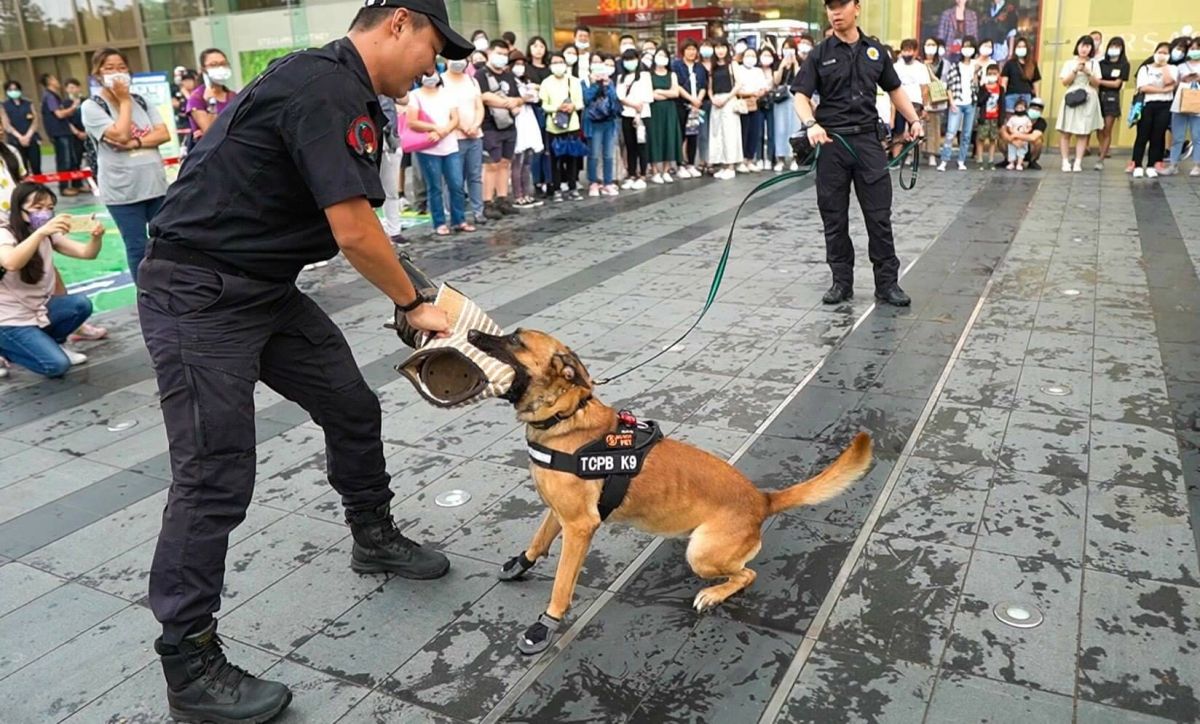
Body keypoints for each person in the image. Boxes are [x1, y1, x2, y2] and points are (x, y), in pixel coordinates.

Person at [139, 2, 468, 720]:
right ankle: (189, 661)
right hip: (198, 293)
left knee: (351, 403)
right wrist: (413, 302)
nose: (432, 67)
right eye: (433, 49)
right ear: (399, 23)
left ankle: (372, 534)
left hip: (262, 286)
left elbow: (354, 222)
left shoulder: (337, 87)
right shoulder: (325, 87)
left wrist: (413, 288)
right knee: (214, 471)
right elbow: (353, 230)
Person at [793, 0, 921, 307]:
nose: (835, 13)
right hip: (831, 143)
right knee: (833, 216)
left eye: (841, 6)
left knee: (879, 217)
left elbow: (894, 89)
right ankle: (841, 282)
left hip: (867, 142)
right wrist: (810, 123)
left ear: (857, 8)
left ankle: (887, 283)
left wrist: (914, 120)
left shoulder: (875, 52)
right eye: (830, 8)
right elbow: (800, 96)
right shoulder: (820, 53)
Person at [80, 48, 171, 284]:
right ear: (97, 73)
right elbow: (119, 134)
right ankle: (147, 293)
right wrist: (122, 101)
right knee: (137, 246)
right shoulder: (93, 106)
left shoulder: (142, 100)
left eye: (121, 67)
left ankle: (169, 286)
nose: (117, 73)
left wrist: (136, 142)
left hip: (155, 184)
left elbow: (163, 133)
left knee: (167, 241)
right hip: (123, 191)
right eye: (109, 68)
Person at [0, 182, 101, 378]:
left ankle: (48, 344)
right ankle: (7, 348)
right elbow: (11, 262)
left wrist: (96, 237)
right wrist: (40, 233)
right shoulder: (5, 233)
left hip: (37, 310)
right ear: (19, 210)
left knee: (80, 305)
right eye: (38, 208)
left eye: (50, 208)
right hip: (9, 319)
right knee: (55, 366)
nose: (45, 213)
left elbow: (87, 253)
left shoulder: (48, 234)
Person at [409, 70, 472, 234]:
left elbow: (455, 118)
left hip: (450, 146)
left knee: (457, 184)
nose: (430, 77)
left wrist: (443, 131)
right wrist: (434, 128)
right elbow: (412, 121)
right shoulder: (415, 96)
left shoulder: (447, 93)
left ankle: (459, 220)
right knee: (434, 187)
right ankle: (439, 223)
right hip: (428, 148)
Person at [479, 39, 523, 218]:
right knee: (491, 164)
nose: (502, 58)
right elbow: (483, 97)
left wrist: (515, 102)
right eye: (499, 53)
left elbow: (519, 98)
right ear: (489, 53)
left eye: (505, 55)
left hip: (509, 125)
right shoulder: (481, 75)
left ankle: (503, 198)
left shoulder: (509, 75)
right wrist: (508, 103)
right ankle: (487, 201)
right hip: (490, 126)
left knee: (506, 162)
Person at [441, 55, 485, 223]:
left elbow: (479, 107)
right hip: (453, 137)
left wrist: (475, 125)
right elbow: (443, 110)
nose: (458, 61)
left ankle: (478, 211)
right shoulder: (441, 81)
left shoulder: (472, 81)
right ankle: (453, 213)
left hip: (475, 136)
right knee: (454, 178)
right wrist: (461, 127)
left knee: (475, 176)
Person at [541, 51, 585, 200]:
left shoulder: (574, 81)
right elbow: (544, 105)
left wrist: (572, 106)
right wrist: (557, 108)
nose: (558, 65)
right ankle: (557, 188)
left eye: (560, 62)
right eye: (554, 62)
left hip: (572, 125)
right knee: (554, 159)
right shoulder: (546, 82)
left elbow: (580, 103)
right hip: (553, 126)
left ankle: (573, 187)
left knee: (572, 157)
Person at [1056, 35, 1103, 173]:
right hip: (1072, 96)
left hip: (1088, 98)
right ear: (1077, 46)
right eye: (1082, 45)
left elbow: (1097, 83)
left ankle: (1078, 162)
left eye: (1088, 46)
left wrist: (1088, 72)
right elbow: (1065, 82)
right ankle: (1065, 161)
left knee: (1083, 132)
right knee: (1066, 131)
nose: (1084, 49)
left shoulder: (1095, 64)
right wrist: (1075, 70)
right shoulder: (1069, 63)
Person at [1131, 43, 1177, 178]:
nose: (1162, 55)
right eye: (1160, 52)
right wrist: (1162, 90)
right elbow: (1143, 87)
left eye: (1165, 53)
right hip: (1147, 104)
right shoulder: (1145, 68)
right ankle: (1137, 164)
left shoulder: (1172, 68)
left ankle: (1151, 164)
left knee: (1158, 136)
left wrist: (1164, 67)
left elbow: (1171, 83)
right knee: (1142, 135)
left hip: (1164, 105)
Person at [939, 35, 980, 171]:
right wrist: (951, 102)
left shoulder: (976, 66)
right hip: (957, 101)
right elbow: (949, 85)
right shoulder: (955, 65)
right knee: (951, 132)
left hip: (970, 103)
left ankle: (961, 160)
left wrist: (975, 73)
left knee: (967, 134)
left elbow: (977, 86)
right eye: (965, 46)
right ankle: (944, 160)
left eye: (970, 47)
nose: (967, 49)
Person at [40, 74, 83, 197]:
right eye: (54, 79)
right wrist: (73, 107)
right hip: (59, 133)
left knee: (72, 159)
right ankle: (63, 188)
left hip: (64, 131)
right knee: (64, 160)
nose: (57, 81)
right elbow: (59, 114)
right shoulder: (49, 96)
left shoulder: (55, 96)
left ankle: (75, 185)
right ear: (49, 82)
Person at [583, 53, 620, 196]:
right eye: (595, 62)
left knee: (608, 154)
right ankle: (593, 182)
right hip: (593, 122)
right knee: (593, 154)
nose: (598, 65)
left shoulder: (609, 81)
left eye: (600, 62)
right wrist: (594, 84)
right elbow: (586, 99)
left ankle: (608, 182)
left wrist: (607, 84)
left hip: (608, 122)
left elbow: (614, 99)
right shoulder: (585, 81)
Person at [511, 55, 545, 207]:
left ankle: (527, 193)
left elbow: (536, 99)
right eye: (517, 64)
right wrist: (524, 98)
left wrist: (532, 95)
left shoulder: (527, 82)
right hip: (517, 119)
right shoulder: (509, 82)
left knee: (528, 159)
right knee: (517, 159)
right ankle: (518, 195)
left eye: (522, 64)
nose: (520, 67)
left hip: (528, 118)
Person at [186, 48, 237, 146]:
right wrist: (211, 105)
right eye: (214, 65)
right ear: (203, 69)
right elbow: (209, 132)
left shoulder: (233, 96)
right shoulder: (197, 98)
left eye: (223, 64)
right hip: (211, 155)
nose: (220, 68)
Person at [1165, 37, 1200, 177]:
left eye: (1197, 48)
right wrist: (1181, 80)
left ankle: (1197, 165)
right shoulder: (1180, 67)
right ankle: (1173, 164)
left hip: (1197, 105)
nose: (1195, 51)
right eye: (1192, 49)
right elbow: (1172, 85)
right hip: (1180, 103)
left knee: (1197, 136)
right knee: (1177, 136)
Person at [708, 40, 742, 180]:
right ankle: (722, 165)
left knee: (730, 134)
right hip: (716, 102)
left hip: (729, 101)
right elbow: (710, 87)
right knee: (717, 134)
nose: (720, 50)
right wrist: (712, 99)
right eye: (717, 47)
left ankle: (731, 166)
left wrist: (726, 98)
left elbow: (738, 84)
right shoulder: (713, 66)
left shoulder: (732, 65)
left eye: (722, 47)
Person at [673, 40, 708, 178]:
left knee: (693, 135)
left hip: (696, 106)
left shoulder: (700, 67)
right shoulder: (676, 65)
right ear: (683, 51)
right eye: (688, 49)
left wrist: (698, 100)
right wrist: (691, 99)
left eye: (694, 49)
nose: (691, 52)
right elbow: (678, 85)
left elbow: (704, 85)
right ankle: (680, 164)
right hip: (682, 104)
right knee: (680, 135)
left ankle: (691, 164)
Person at [617, 48, 651, 189]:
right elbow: (620, 96)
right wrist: (632, 105)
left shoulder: (644, 76)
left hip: (642, 115)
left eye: (632, 59)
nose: (629, 62)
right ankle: (632, 174)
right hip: (626, 114)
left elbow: (647, 96)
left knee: (641, 145)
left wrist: (638, 113)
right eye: (626, 60)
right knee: (630, 146)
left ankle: (642, 175)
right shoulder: (621, 78)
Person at [648, 49, 683, 183]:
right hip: (654, 110)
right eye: (659, 55)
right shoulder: (649, 75)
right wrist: (664, 94)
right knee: (654, 138)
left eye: (664, 56)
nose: (661, 58)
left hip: (669, 110)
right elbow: (650, 94)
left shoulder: (672, 74)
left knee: (669, 137)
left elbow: (675, 93)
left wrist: (660, 91)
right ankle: (655, 170)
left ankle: (666, 169)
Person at [734, 46, 770, 173]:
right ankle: (741, 160)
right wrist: (750, 93)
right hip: (743, 104)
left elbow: (764, 87)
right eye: (747, 55)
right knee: (744, 131)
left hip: (756, 104)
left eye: (753, 56)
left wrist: (758, 93)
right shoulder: (738, 70)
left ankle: (750, 159)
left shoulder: (758, 71)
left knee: (755, 132)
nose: (750, 58)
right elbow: (737, 88)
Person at [1096, 36, 1130, 170]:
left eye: (1117, 47)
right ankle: (1101, 148)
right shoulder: (1101, 63)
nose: (1114, 49)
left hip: (1112, 97)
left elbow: (1117, 84)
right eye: (1112, 46)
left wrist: (1100, 82)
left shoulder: (1124, 64)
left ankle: (1101, 158)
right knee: (1099, 128)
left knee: (1107, 129)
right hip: (1099, 96)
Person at [894, 39, 930, 160]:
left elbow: (924, 89)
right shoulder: (896, 67)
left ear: (915, 52)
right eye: (904, 50)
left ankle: (912, 157)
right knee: (898, 132)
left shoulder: (921, 68)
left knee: (914, 131)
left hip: (915, 103)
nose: (906, 54)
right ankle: (896, 158)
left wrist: (925, 107)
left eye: (909, 50)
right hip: (899, 103)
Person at [772, 38, 803, 171]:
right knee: (780, 128)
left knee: (794, 128)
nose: (787, 51)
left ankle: (794, 157)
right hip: (781, 98)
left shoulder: (800, 62)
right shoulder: (779, 63)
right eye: (785, 48)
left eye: (790, 48)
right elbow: (776, 81)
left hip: (794, 96)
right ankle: (780, 158)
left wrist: (795, 64)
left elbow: (800, 79)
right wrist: (781, 66)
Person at [3, 81, 40, 176]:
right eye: (10, 90)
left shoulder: (28, 103)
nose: (13, 91)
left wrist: (28, 135)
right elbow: (6, 124)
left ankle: (39, 188)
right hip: (15, 140)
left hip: (31, 138)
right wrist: (20, 137)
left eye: (15, 89)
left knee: (36, 166)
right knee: (22, 167)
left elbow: (35, 120)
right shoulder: (4, 106)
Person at [1000, 35, 1040, 113]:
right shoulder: (1009, 63)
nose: (1021, 48)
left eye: (1023, 46)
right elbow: (1004, 83)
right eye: (1019, 46)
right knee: (1010, 120)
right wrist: (1002, 97)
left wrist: (1037, 98)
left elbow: (1035, 82)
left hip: (1026, 96)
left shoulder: (1032, 64)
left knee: (1024, 120)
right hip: (1011, 96)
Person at [923, 38, 947, 166]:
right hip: (921, 98)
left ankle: (932, 154)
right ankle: (912, 154)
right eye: (928, 44)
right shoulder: (919, 62)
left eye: (933, 45)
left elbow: (944, 80)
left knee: (933, 128)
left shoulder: (943, 63)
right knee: (919, 128)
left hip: (936, 99)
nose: (930, 47)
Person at [976, 63, 1003, 167]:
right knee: (981, 138)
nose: (992, 75)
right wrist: (987, 92)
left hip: (995, 117)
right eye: (989, 73)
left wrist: (1001, 118)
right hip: (984, 117)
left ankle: (991, 159)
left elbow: (1002, 104)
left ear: (998, 75)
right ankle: (980, 158)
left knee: (993, 139)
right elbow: (979, 101)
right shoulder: (983, 87)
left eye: (994, 73)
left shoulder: (1000, 89)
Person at [171, 70, 199, 146]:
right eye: (185, 80)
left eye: (189, 80)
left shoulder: (198, 93)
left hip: (194, 126)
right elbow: (174, 104)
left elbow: (193, 106)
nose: (187, 83)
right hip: (181, 125)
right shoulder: (178, 93)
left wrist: (187, 95)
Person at [1004, 97, 1032, 169]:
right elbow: (1009, 126)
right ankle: (1011, 163)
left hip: (1023, 137)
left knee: (1021, 151)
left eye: (1021, 108)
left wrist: (1026, 131)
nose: (1019, 109)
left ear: (1025, 109)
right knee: (1011, 150)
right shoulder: (1012, 118)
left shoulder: (1026, 118)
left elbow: (1029, 126)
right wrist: (1012, 131)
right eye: (1018, 108)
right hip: (1013, 137)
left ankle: (1019, 163)